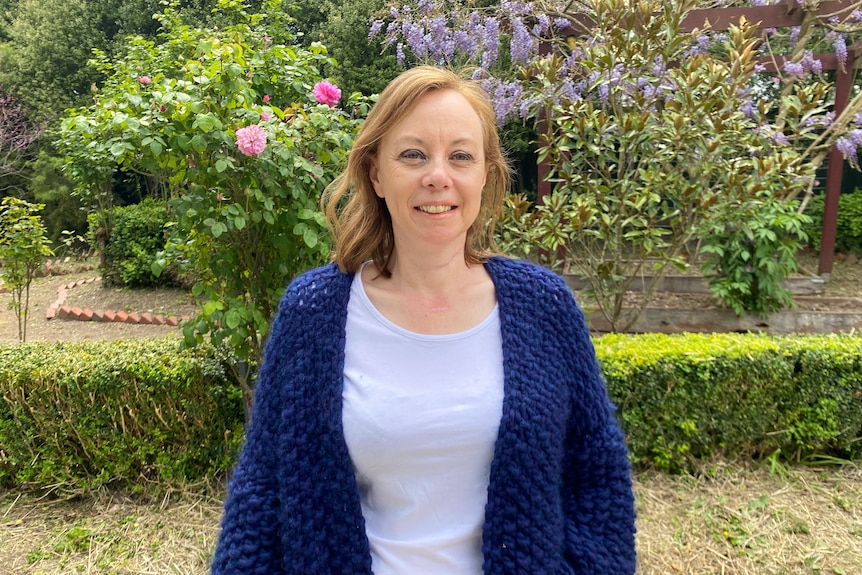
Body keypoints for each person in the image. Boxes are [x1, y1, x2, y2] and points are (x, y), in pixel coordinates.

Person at [211, 65, 637, 575]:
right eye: (413, 154)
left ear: (484, 173)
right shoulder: (314, 311)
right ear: (376, 174)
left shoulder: (543, 306)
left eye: (461, 155)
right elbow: (261, 492)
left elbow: (598, 476)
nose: (438, 175)